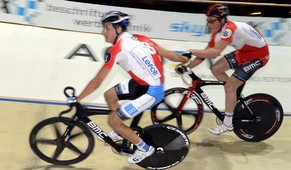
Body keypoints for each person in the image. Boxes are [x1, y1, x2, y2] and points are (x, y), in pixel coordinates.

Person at [73, 11, 190, 163]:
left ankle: (146, 149)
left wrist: (77, 99)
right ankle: (121, 130)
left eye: (107, 28)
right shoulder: (142, 39)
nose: (103, 32)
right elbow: (170, 55)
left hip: (151, 91)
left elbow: (97, 81)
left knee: (113, 121)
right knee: (109, 95)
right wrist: (185, 59)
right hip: (142, 83)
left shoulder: (117, 49)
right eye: (104, 28)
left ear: (119, 29)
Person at [182, 4, 269, 135]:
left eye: (212, 20)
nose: (209, 24)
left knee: (229, 87)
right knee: (216, 68)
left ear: (222, 20)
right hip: (244, 53)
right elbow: (205, 53)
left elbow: (214, 53)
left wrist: (190, 51)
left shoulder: (229, 29)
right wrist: (187, 67)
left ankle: (228, 124)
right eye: (207, 20)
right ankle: (233, 94)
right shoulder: (217, 32)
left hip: (259, 56)